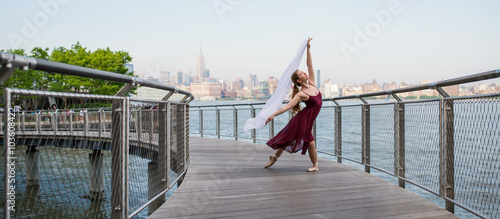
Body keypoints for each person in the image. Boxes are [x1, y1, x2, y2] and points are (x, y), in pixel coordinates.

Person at [264, 37, 322, 172]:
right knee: (310, 142)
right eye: (301, 73)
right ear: (298, 80)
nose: (304, 72)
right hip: (303, 120)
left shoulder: (312, 83)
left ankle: (274, 158)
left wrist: (308, 48)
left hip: (307, 120)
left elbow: (310, 65)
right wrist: (273, 114)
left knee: (288, 137)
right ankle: (315, 166)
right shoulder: (301, 93)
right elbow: (288, 106)